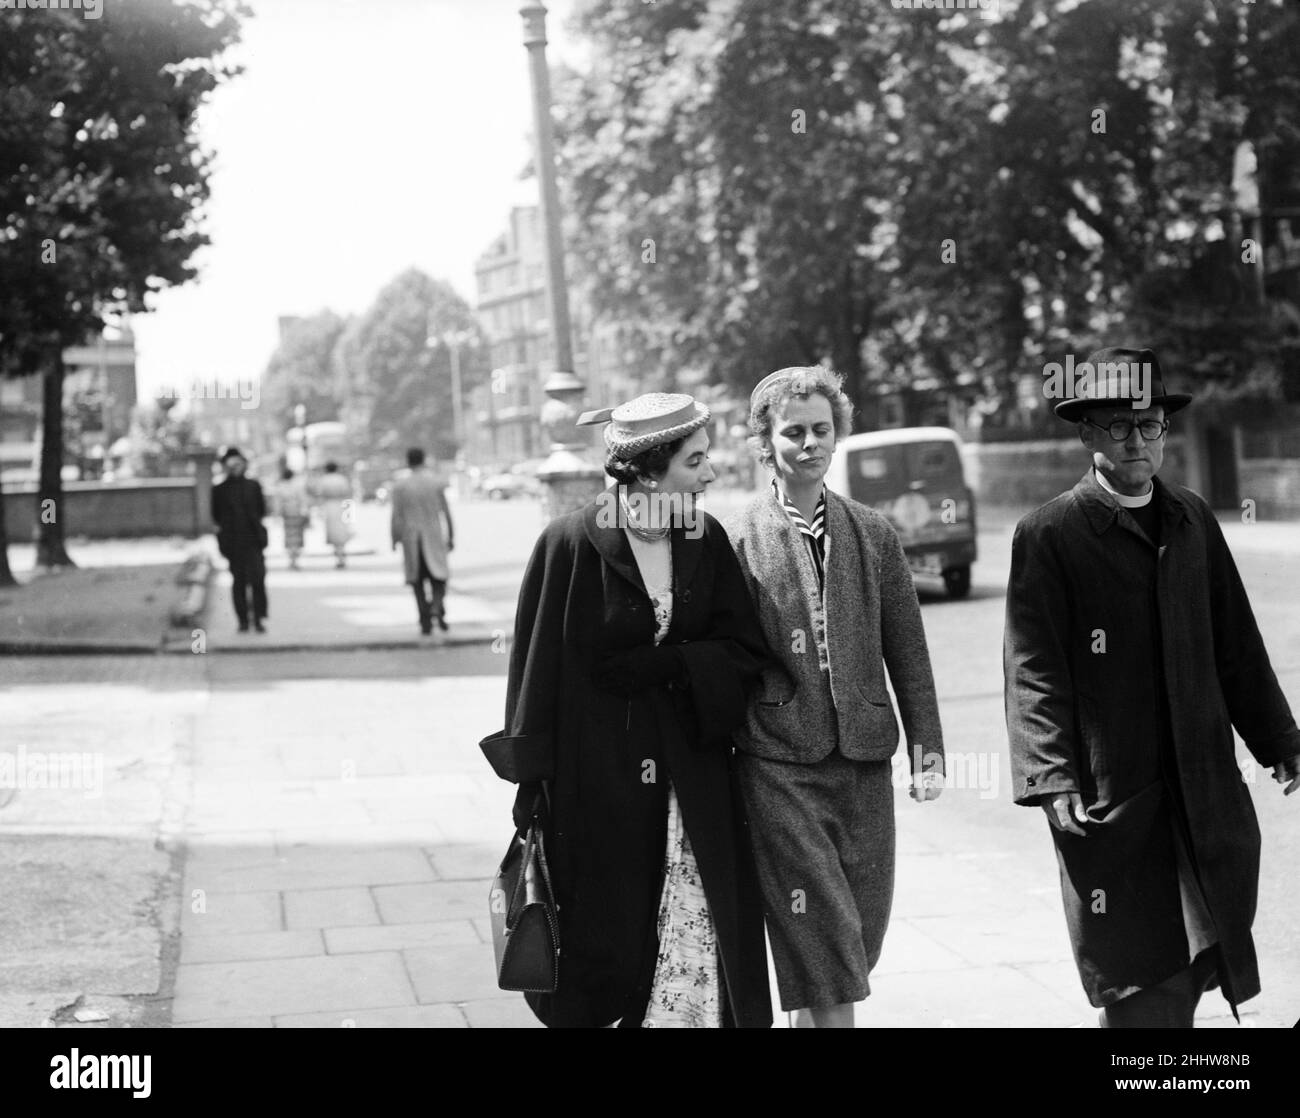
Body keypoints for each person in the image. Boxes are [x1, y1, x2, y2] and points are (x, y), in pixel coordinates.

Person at [1004, 346, 1300, 1028]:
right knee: (1139, 982)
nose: (1137, 441)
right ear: (1086, 434)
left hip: (1204, 793)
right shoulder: (1050, 536)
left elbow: (1236, 643)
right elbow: (1033, 668)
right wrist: (1052, 778)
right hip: (1119, 799)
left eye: (1150, 426)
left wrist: (1279, 740)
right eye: (1117, 426)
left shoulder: (1193, 520)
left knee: (1198, 963)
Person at [481, 392, 773, 1028]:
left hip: (693, 786)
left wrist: (672, 664)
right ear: (647, 469)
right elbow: (535, 671)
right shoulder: (566, 545)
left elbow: (747, 652)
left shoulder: (706, 538)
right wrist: (532, 784)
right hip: (597, 792)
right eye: (695, 462)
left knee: (694, 949)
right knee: (602, 957)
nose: (712, 474)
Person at [724, 367, 945, 1029]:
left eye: (822, 429)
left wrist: (928, 750)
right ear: (766, 441)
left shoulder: (874, 533)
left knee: (855, 934)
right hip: (778, 765)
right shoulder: (737, 539)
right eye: (793, 432)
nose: (810, 443)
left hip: (864, 761)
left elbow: (907, 650)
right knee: (819, 934)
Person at [390, 447, 454, 636]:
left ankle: (425, 619)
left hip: (411, 539)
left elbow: (396, 516)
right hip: (434, 536)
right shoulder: (435, 482)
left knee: (417, 581)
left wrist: (394, 538)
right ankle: (436, 606)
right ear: (424, 460)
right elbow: (446, 512)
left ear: (408, 462)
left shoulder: (401, 486)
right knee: (439, 578)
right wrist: (451, 535)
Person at [210, 446, 268, 634]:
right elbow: (216, 515)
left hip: (253, 540)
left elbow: (261, 510)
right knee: (239, 581)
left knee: (258, 579)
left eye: (238, 463)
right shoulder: (219, 489)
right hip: (233, 542)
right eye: (231, 464)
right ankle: (243, 620)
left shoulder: (253, 486)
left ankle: (258, 618)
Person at [316, 461, 353, 569]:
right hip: (341, 506)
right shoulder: (342, 479)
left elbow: (320, 495)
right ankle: (341, 552)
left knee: (333, 532)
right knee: (342, 531)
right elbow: (348, 493)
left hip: (329, 507)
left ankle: (338, 553)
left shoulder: (323, 480)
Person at [274, 465, 310, 571]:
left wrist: (277, 514)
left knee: (289, 536)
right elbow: (303, 500)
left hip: (287, 514)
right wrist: (305, 512)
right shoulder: (297, 486)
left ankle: (292, 559)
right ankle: (295, 559)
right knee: (297, 536)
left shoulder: (280, 487)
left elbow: (278, 503)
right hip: (297, 513)